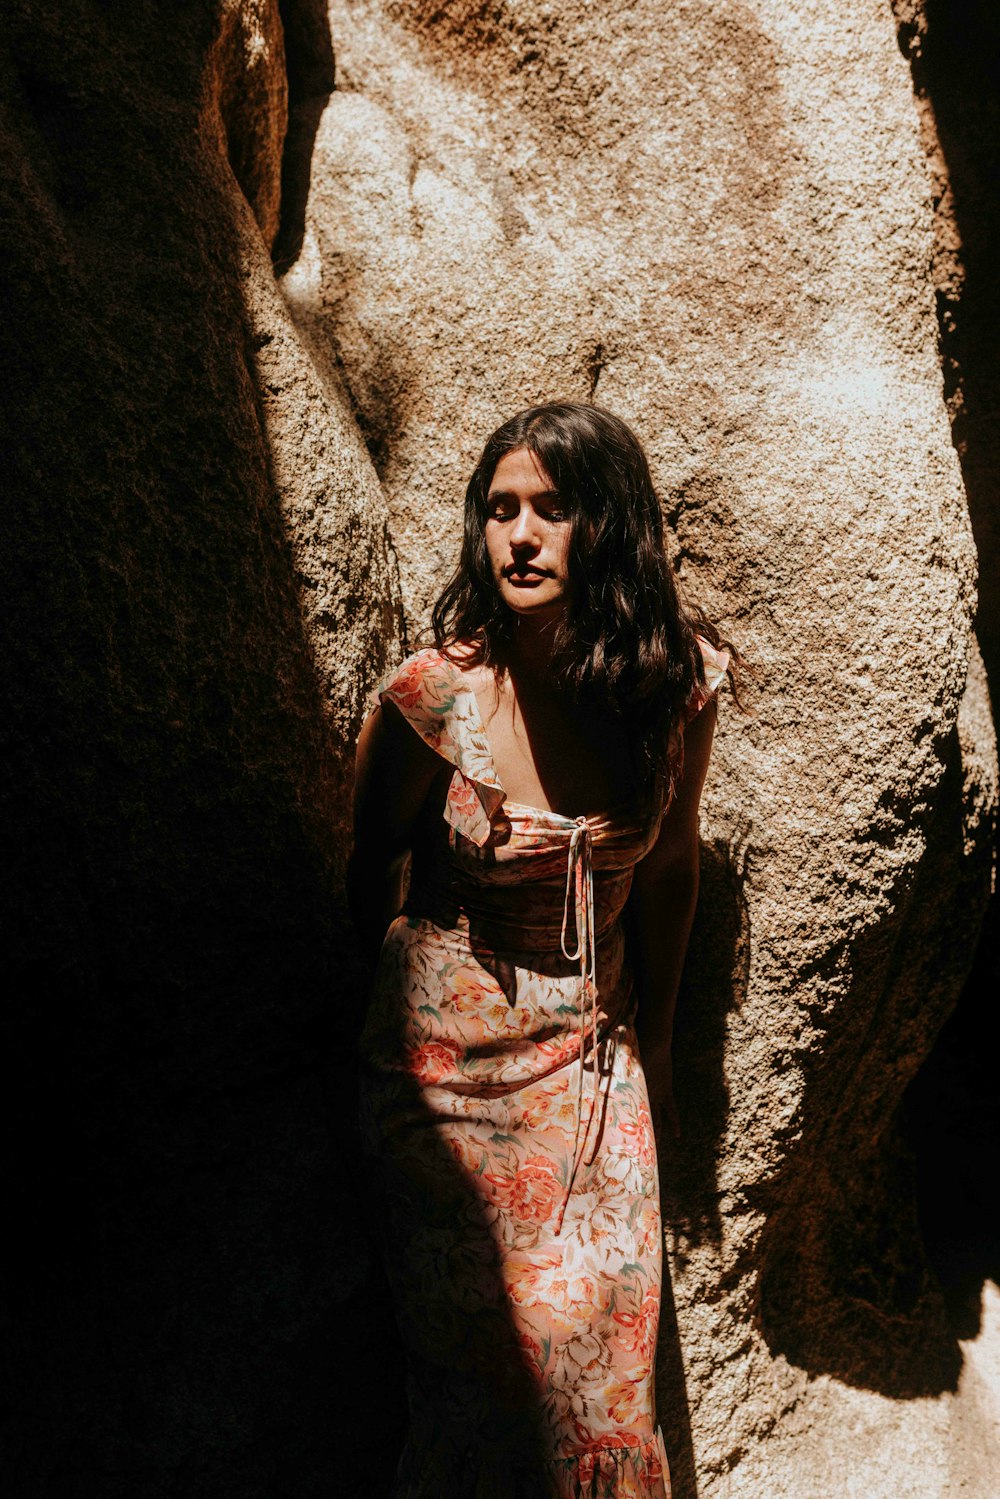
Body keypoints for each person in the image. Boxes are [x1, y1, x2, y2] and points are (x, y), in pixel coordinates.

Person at [348, 402, 734, 1498]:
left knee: (608, 1383)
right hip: (444, 1078)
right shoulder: (435, 696)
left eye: (550, 509)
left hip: (596, 1066)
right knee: (491, 1380)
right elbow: (367, 869)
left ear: (605, 526)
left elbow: (666, 870)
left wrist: (654, 1043)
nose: (516, 535)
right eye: (499, 509)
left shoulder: (675, 690)